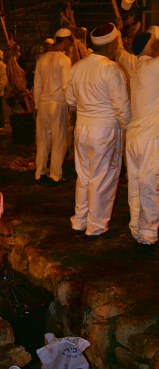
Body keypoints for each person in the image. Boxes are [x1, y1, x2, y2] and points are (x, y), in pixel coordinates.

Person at [66, 23, 131, 241]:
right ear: (112, 45)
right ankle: (96, 226)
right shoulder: (111, 68)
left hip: (82, 128)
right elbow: (121, 105)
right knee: (103, 177)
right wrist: (128, 128)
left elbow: (70, 101)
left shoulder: (77, 66)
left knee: (84, 175)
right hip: (105, 129)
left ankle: (79, 220)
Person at [117, 31, 159, 254]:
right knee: (149, 185)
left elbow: (121, 52)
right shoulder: (153, 67)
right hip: (148, 137)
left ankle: (137, 228)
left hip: (134, 137)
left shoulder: (134, 65)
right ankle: (148, 235)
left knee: (135, 184)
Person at [33, 28, 73, 185]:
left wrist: (36, 106)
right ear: (67, 41)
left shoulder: (41, 59)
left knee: (42, 140)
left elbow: (37, 85)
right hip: (57, 104)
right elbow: (65, 86)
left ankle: (39, 173)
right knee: (59, 140)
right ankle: (55, 175)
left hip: (43, 104)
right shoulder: (64, 60)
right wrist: (71, 105)